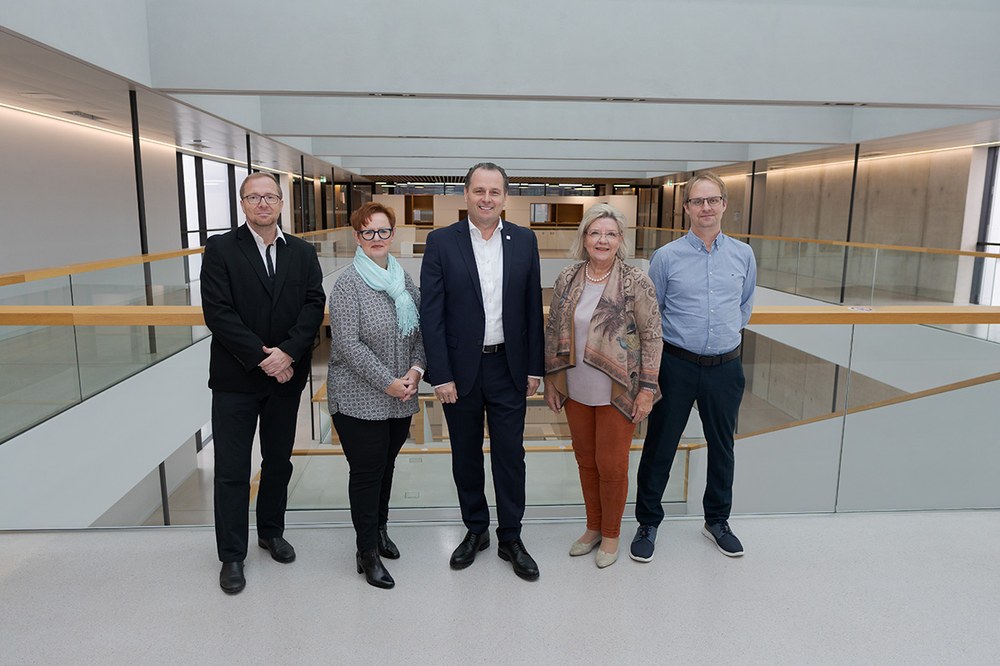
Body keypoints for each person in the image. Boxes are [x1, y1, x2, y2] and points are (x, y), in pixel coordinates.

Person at [201, 172, 325, 594]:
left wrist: (287, 353)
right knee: (233, 471)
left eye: (270, 196)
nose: (263, 204)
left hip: (286, 379)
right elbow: (218, 313)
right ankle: (232, 556)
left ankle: (271, 532)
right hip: (236, 380)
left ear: (281, 203)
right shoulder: (220, 249)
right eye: (254, 197)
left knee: (278, 462)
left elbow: (313, 305)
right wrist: (264, 358)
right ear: (242, 203)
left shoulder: (303, 253)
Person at [419, 162, 545, 581]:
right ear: (466, 195)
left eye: (494, 191)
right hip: (460, 371)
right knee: (466, 456)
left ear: (505, 197)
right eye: (479, 191)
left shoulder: (525, 241)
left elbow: (531, 310)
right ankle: (476, 530)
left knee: (511, 457)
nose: (486, 198)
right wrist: (440, 374)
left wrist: (534, 368)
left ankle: (511, 536)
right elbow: (431, 314)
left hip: (509, 367)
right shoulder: (441, 242)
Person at [631, 172, 756, 561]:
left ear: (724, 204)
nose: (705, 208)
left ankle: (717, 520)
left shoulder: (743, 254)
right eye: (697, 201)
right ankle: (648, 521)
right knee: (660, 446)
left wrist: (722, 338)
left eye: (712, 200)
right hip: (677, 365)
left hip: (726, 367)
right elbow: (653, 315)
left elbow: (744, 305)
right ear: (686, 208)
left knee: (723, 447)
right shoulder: (666, 257)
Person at [543, 204, 661, 568]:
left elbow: (653, 335)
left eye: (610, 234)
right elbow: (553, 328)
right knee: (586, 462)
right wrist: (551, 379)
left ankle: (611, 534)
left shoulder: (635, 280)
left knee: (611, 465)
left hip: (619, 389)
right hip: (576, 387)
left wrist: (646, 389)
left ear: (620, 240)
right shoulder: (568, 277)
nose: (602, 240)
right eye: (595, 233)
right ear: (584, 238)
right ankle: (592, 527)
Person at [327, 202, 425, 590]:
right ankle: (366, 550)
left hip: (402, 395)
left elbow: (420, 333)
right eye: (368, 232)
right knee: (367, 473)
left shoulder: (405, 280)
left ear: (393, 234)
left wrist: (416, 372)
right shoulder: (347, 284)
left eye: (383, 231)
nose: (377, 239)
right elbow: (348, 345)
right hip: (358, 397)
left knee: (386, 467)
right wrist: (388, 381)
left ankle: (380, 531)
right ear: (357, 237)